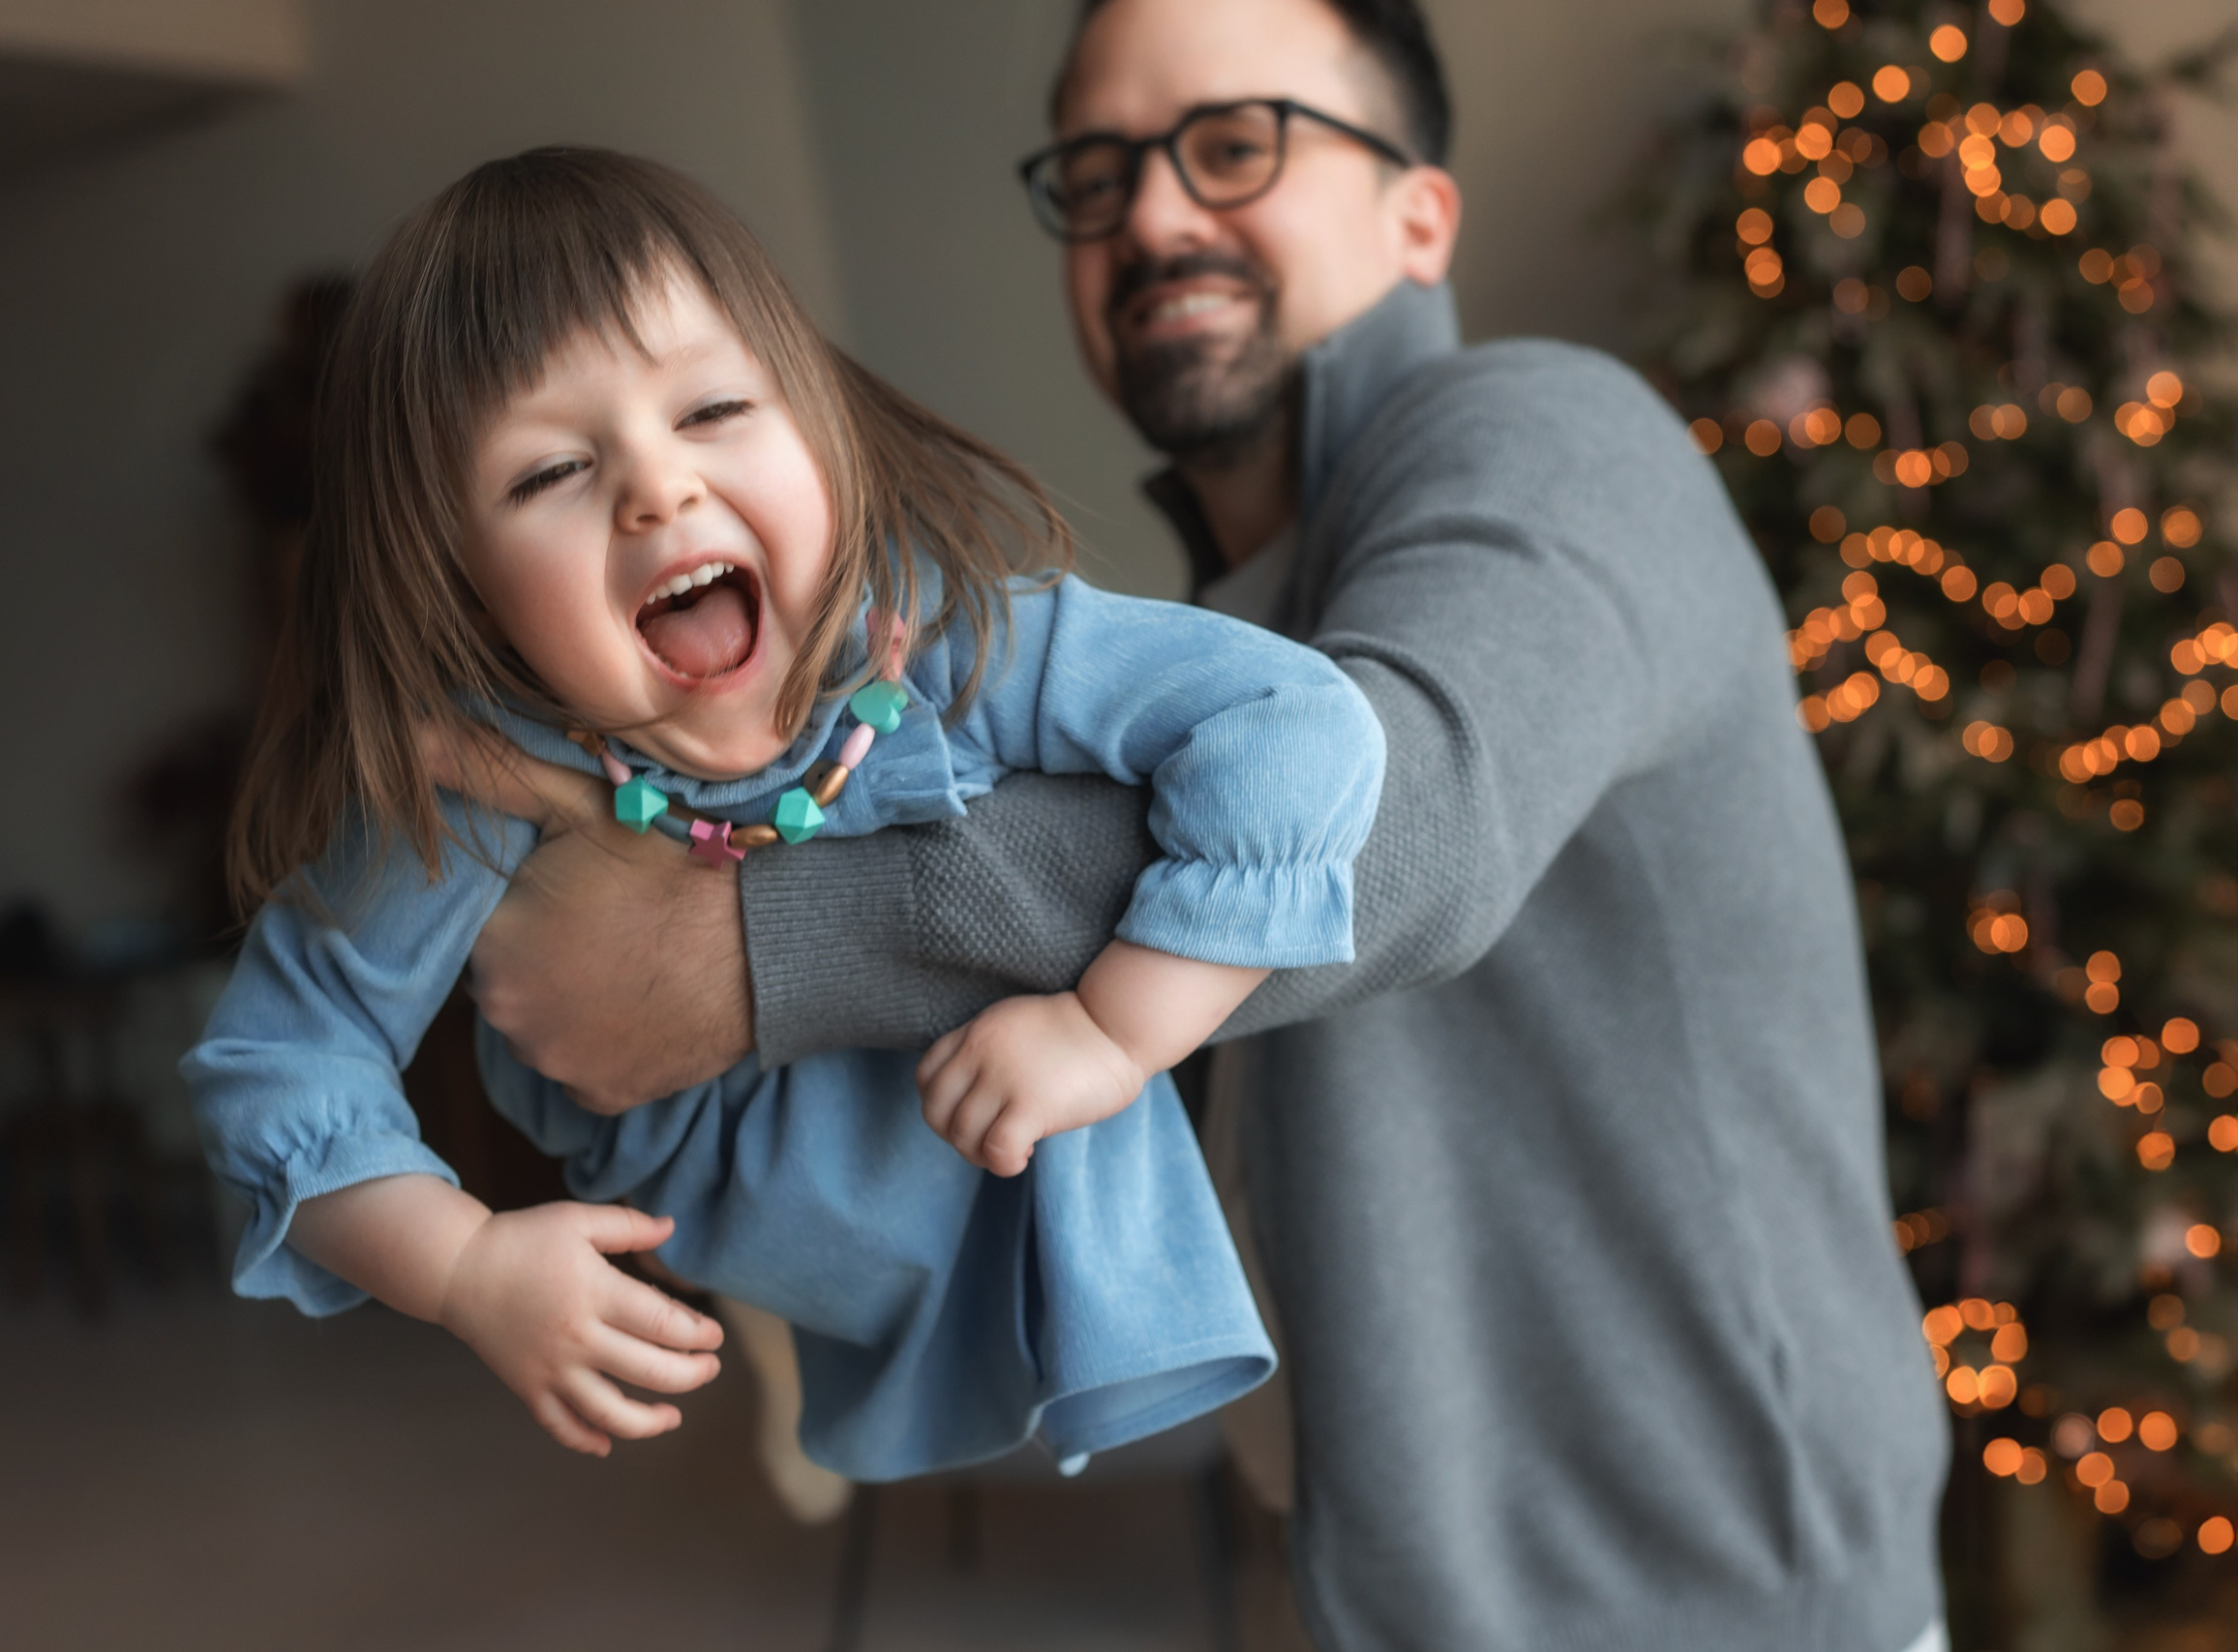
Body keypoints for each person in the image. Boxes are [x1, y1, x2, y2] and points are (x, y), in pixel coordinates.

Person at [452, 1, 1952, 1648]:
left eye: (1235, 145)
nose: (1152, 214)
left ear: (1419, 212)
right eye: (1097, 174)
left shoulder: (1551, 435)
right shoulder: (1221, 613)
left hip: (1723, 1601)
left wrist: (743, 944)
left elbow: (1404, 822)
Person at [181, 148, 1387, 1481]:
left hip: (1046, 1177)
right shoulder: (475, 774)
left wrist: (1114, 1029)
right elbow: (280, 1062)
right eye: (547, 474)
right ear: (453, 590)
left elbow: (1296, 725)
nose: (657, 488)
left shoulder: (945, 641)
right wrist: (461, 1264)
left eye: (710, 409)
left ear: (818, 420)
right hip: (740, 1245)